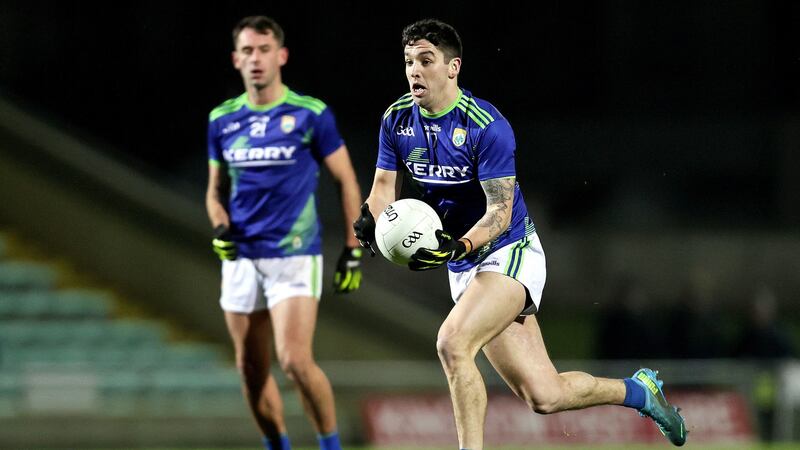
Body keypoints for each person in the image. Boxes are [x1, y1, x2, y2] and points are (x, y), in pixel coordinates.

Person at [353, 18, 686, 449]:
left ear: (453, 67)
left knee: (452, 344)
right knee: (545, 396)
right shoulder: (396, 119)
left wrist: (460, 244)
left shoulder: (486, 126)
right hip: (465, 265)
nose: (415, 70)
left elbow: (498, 212)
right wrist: (370, 218)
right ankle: (640, 392)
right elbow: (384, 189)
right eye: (408, 61)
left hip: (509, 250)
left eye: (426, 61)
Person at [206, 15, 362, 450]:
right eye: (248, 51)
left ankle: (330, 446)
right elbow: (214, 193)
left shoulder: (311, 114)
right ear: (236, 59)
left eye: (264, 50)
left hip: (294, 254)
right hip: (241, 259)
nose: (256, 59)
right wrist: (220, 227)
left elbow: (346, 180)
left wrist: (352, 249)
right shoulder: (222, 120)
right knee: (250, 371)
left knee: (293, 360)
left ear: (282, 55)